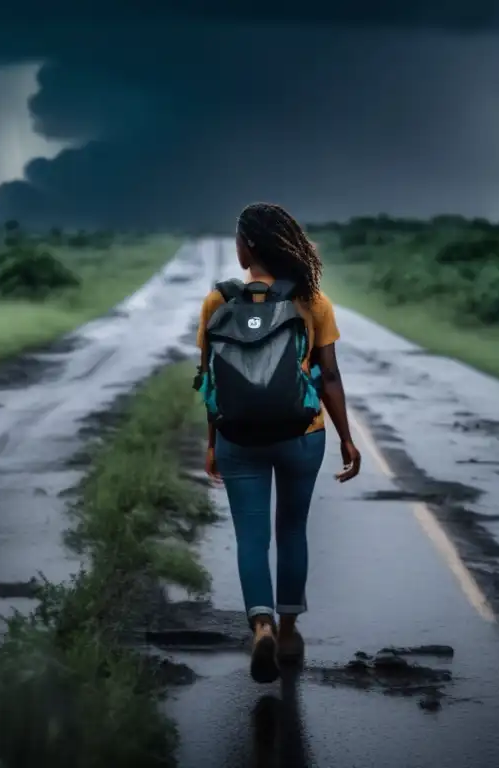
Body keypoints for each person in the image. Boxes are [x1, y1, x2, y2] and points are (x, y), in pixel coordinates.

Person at [195, 201, 361, 684]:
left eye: (238, 238)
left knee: (251, 537)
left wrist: (213, 441)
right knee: (292, 530)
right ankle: (288, 632)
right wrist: (347, 439)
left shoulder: (217, 301)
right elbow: (329, 376)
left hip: (238, 437)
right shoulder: (313, 301)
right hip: (301, 436)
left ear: (249, 246)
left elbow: (210, 383)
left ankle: (261, 625)